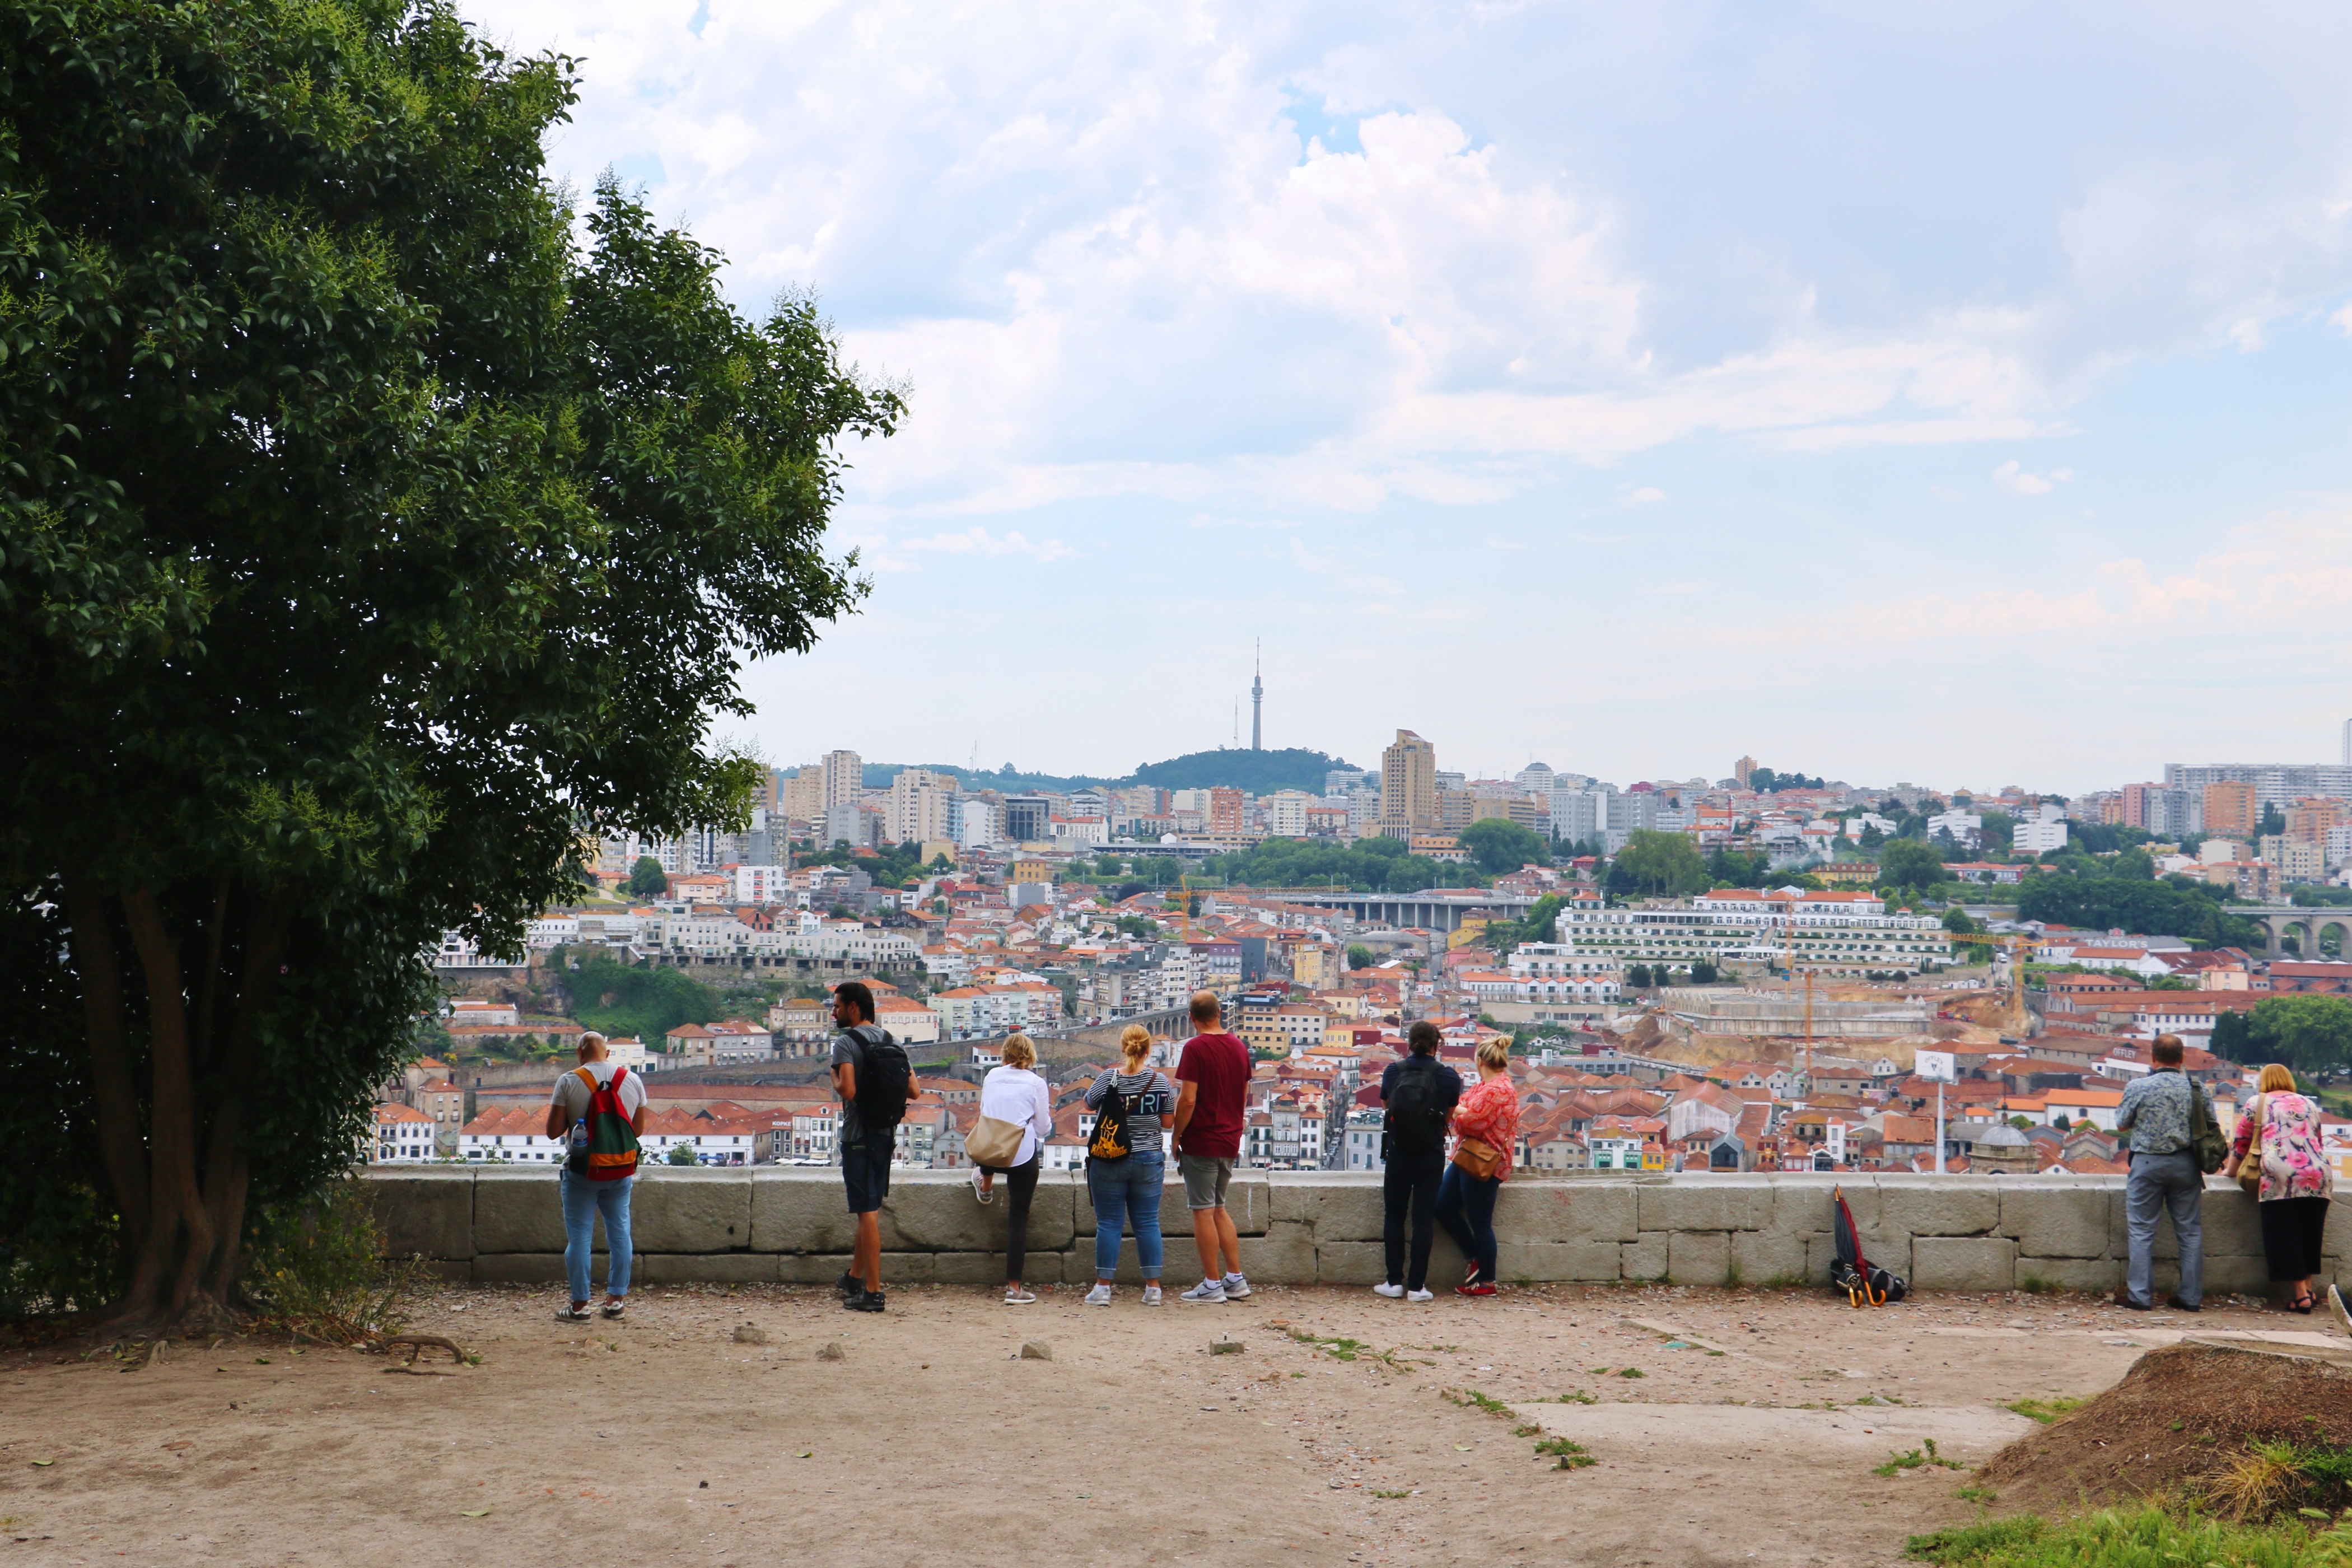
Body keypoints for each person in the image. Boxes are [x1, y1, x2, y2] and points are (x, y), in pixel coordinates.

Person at [545, 1031, 647, 1322]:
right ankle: (616, 1300)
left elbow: (552, 1132)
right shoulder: (632, 1080)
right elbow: (637, 1130)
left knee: (579, 1239)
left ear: (579, 1053)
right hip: (620, 1170)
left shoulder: (569, 1080)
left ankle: (579, 1306)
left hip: (582, 1171)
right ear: (608, 1054)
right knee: (620, 1234)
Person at [830, 981, 918, 1314]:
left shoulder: (845, 1043)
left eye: (837, 1006)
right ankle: (855, 1277)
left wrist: (834, 1078)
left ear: (854, 1007)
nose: (834, 1012)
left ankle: (873, 1292)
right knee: (868, 1209)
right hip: (886, 1136)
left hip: (857, 1137)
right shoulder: (891, 1040)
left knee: (867, 1213)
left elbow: (849, 1091)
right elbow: (915, 1091)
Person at [2223, 1062, 2335, 1313]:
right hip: (2319, 1174)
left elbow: (2241, 1143)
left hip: (2280, 1175)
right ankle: (2309, 1289)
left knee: (2286, 1235)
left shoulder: (2257, 1103)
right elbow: (2317, 1139)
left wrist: (2229, 1172)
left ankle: (2300, 1296)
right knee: (2310, 1234)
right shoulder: (2308, 1103)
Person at [1082, 1025, 1177, 1305]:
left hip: (1111, 1157)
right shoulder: (1160, 1082)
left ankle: (1102, 1289)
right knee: (1147, 1222)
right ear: (1148, 1050)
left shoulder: (1108, 1078)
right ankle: (1153, 1290)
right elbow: (1169, 1123)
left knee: (1109, 1223)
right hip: (1148, 1158)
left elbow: (1088, 1103)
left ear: (1123, 1049)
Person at [1170, 991, 1252, 1303]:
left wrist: (1177, 1136)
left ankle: (1212, 1284)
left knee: (1202, 1211)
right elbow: (1244, 1093)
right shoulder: (1239, 1047)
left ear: (1192, 1019)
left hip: (1202, 1139)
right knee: (1219, 1208)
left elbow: (1188, 1099)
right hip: (1229, 1138)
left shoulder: (1195, 1048)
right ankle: (1235, 1279)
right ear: (1220, 1013)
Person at [2115, 1032, 2203, 1312]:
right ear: (2182, 1059)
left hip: (2148, 1164)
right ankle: (2190, 1296)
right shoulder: (2197, 1088)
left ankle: (2140, 1295)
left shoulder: (2138, 1087)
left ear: (2152, 1058)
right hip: (2186, 1164)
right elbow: (2209, 1125)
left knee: (2141, 1230)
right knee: (2189, 1232)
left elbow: (2120, 1124)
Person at [1375, 1021, 1462, 1303]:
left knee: (1394, 1215)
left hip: (1399, 1151)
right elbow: (1449, 1116)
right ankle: (1417, 1287)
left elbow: (1389, 1107)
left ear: (1409, 1043)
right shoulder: (1448, 1076)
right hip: (1430, 1154)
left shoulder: (1393, 1071)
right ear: (1437, 1045)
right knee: (1423, 1218)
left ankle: (1393, 1283)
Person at [972, 1032, 1055, 1304]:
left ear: (1005, 1054)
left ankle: (985, 1186)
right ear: (1030, 1056)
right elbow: (1043, 1129)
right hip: (1021, 1155)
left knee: (990, 1139)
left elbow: (986, 1113)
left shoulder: (992, 1076)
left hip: (990, 1153)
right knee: (1018, 1219)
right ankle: (1014, 1288)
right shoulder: (1036, 1083)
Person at [1435, 1037, 1520, 1298]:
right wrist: (1459, 1110)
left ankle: (1487, 1281)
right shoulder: (1487, 1086)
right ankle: (1475, 1258)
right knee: (1442, 1207)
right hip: (1468, 1156)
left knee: (1481, 1223)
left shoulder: (1497, 1090)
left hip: (1485, 1162)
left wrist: (1455, 1112)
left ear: (1480, 1061)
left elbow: (1468, 1122)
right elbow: (1462, 1106)